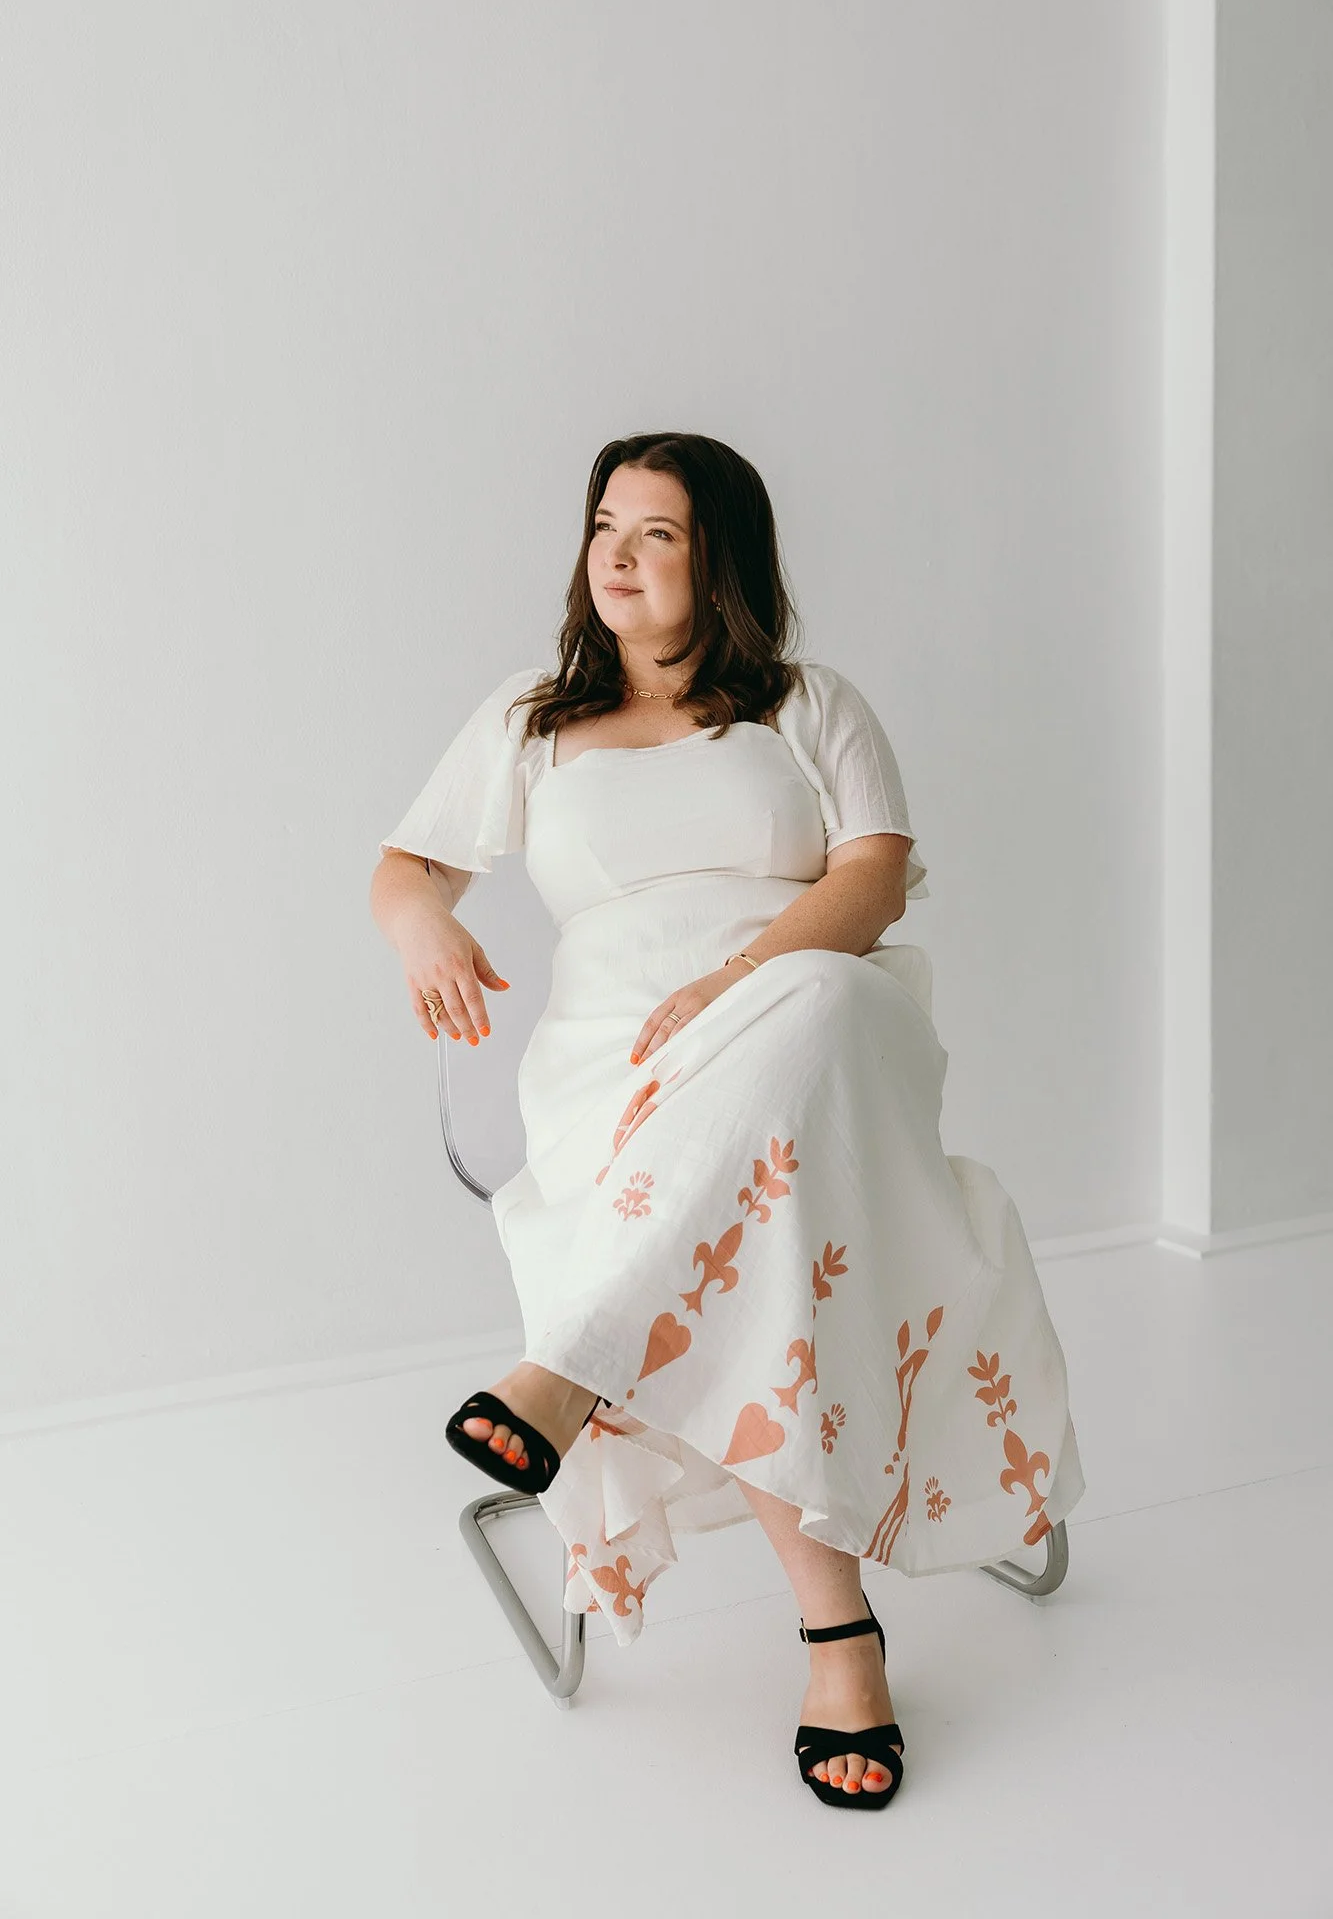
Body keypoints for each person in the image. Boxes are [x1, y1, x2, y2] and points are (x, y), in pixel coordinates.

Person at [369, 431, 1085, 1811]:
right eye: (607, 528)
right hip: (619, 1078)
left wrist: (734, 982)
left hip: (820, 1037)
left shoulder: (811, 704)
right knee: (762, 1243)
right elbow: (407, 866)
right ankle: (841, 1636)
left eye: (660, 536)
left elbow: (871, 882)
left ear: (724, 564)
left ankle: (575, 1365)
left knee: (815, 1004)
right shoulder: (532, 718)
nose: (619, 558)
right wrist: (421, 934)